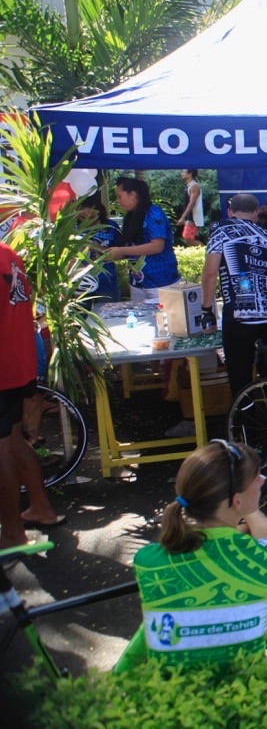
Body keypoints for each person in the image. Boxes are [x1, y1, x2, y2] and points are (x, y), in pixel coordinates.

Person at [118, 441, 267, 668]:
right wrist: (249, 511)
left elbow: (204, 547)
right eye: (256, 478)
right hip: (246, 690)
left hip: (173, 695)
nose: (262, 481)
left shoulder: (147, 560)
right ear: (236, 500)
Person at [0, 242, 65, 547]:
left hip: (4, 367)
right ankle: (41, 508)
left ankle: (12, 534)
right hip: (18, 359)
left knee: (2, 450)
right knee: (12, 441)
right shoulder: (9, 255)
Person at [200, 193, 267, 400]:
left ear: (230, 212)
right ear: (256, 213)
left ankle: (244, 429)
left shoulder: (221, 231)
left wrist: (206, 309)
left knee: (240, 376)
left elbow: (210, 272)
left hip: (238, 315)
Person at [108, 176, 180, 302]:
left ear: (132, 194)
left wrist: (120, 251)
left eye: (119, 196)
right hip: (138, 282)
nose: (118, 201)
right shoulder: (130, 217)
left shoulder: (153, 212)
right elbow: (132, 248)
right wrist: (111, 253)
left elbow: (157, 246)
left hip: (161, 282)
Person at [77, 190, 121, 303]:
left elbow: (123, 253)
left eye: (92, 218)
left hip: (107, 285)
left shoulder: (111, 227)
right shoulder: (72, 227)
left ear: (99, 213)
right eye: (82, 218)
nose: (88, 222)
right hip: (80, 287)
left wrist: (99, 249)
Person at [176, 170, 204, 243]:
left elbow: (192, 203)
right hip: (190, 217)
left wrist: (183, 217)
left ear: (190, 173)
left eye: (184, 172)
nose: (182, 173)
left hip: (193, 217)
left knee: (188, 239)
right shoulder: (189, 186)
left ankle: (206, 250)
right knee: (187, 238)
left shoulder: (194, 186)